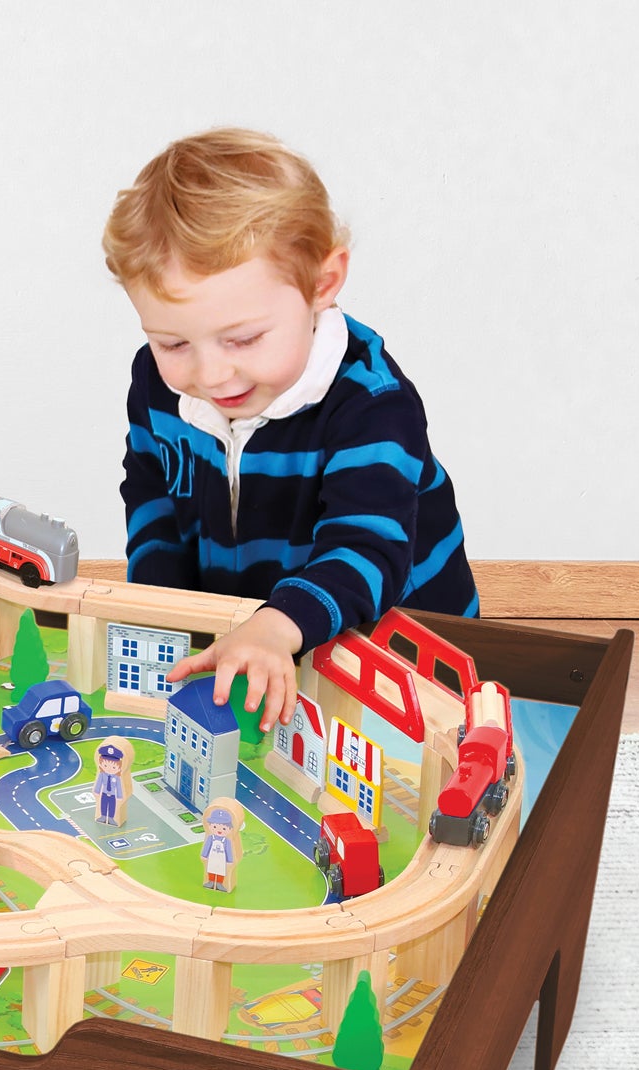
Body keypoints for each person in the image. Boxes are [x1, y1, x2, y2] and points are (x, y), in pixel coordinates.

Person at [103, 128, 478, 736]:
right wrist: (169, 612)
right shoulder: (158, 383)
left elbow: (367, 549)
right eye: (173, 342)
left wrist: (280, 624)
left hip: (394, 653)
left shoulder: (371, 404)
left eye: (244, 338)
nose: (211, 372)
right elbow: (150, 495)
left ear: (322, 284)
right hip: (262, 628)